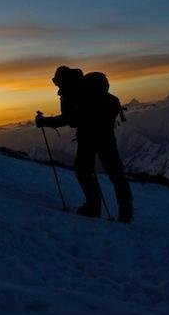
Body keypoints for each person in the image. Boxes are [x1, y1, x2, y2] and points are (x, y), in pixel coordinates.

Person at [36, 66, 134, 222]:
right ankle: (126, 213)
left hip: (88, 137)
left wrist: (45, 122)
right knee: (115, 173)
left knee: (83, 171)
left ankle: (93, 207)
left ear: (62, 79)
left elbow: (68, 119)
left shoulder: (71, 92)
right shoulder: (83, 88)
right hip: (105, 135)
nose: (57, 85)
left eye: (57, 82)